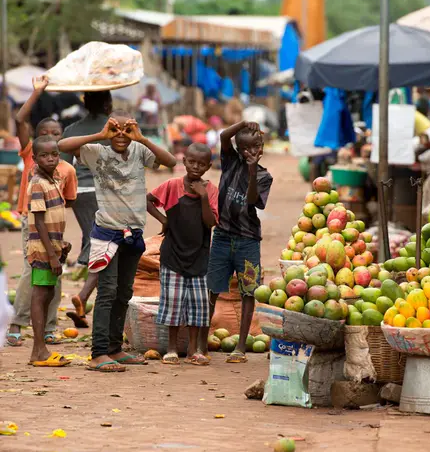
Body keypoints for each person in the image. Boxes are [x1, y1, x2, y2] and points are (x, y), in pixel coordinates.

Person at [58, 111, 176, 372]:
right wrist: (101, 134)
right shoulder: (97, 151)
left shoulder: (139, 150)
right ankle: (98, 352)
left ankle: (114, 348)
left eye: (127, 129)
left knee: (124, 292)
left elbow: (170, 161)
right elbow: (62, 145)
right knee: (107, 292)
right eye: (115, 129)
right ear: (107, 129)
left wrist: (143, 139)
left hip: (133, 234)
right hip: (107, 233)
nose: (121, 135)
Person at [7, 76, 77, 347]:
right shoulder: (30, 156)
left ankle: (48, 327)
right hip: (33, 222)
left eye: (57, 136)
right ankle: (17, 323)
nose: (51, 141)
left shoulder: (66, 169)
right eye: (45, 134)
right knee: (30, 272)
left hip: (56, 227)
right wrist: (37, 91)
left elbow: (68, 201)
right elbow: (20, 119)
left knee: (55, 275)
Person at [206, 121, 272, 363]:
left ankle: (241, 346)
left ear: (262, 148)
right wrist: (243, 123)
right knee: (212, 289)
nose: (251, 152)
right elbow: (224, 135)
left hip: (247, 240)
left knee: (248, 291)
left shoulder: (264, 175)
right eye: (246, 148)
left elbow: (254, 201)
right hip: (222, 236)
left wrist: (253, 170)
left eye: (256, 146)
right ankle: (202, 341)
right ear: (238, 149)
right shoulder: (231, 162)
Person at [147, 143, 219, 366]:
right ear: (184, 161)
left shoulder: (212, 190)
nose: (196, 167)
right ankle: (171, 349)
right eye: (191, 162)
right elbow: (148, 200)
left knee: (199, 305)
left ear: (208, 166)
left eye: (201, 163)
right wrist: (164, 220)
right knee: (173, 303)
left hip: (199, 255)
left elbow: (211, 222)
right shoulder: (171, 186)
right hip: (173, 255)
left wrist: (204, 197)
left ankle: (194, 350)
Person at [60, 91, 112, 328]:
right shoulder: (114, 128)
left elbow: (62, 165)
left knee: (97, 242)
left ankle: (86, 305)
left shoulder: (71, 129)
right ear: (108, 104)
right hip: (105, 193)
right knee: (104, 244)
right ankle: (84, 298)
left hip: (79, 193)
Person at [26, 135, 73, 367]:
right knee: (40, 294)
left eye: (54, 154)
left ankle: (39, 348)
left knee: (49, 294)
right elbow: (40, 222)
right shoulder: (37, 183)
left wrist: (60, 244)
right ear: (34, 159)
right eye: (44, 155)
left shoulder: (54, 180)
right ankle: (39, 350)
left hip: (52, 246)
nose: (50, 159)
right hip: (42, 249)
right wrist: (52, 254)